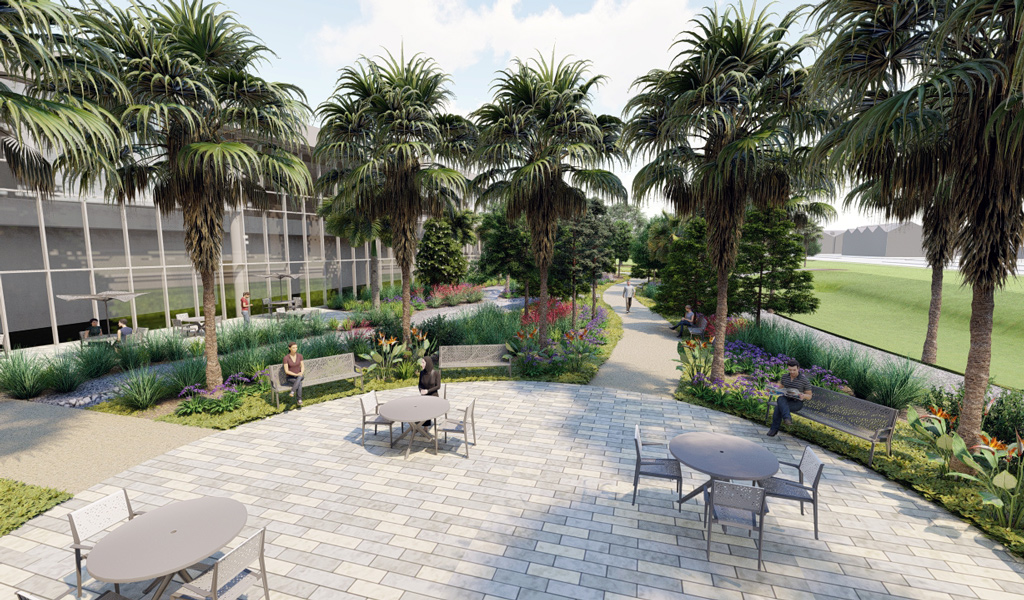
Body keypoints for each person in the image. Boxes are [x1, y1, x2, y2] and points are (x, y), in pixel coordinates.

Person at [767, 359, 812, 437]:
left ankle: (774, 429)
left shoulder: (804, 380)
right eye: (790, 370)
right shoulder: (785, 377)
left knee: (778, 407)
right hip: (785, 400)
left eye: (794, 370)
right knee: (780, 399)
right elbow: (780, 389)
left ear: (798, 368)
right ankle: (787, 418)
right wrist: (773, 390)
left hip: (797, 402)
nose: (792, 372)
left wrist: (803, 396)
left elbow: (809, 396)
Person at [417, 356, 440, 427]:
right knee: (415, 406)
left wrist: (427, 391)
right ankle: (416, 425)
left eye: (423, 363)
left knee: (425, 406)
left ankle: (425, 427)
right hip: (424, 395)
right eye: (421, 362)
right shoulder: (421, 373)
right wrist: (421, 390)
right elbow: (420, 384)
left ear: (428, 363)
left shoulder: (435, 373)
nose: (421, 364)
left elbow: (438, 386)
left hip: (433, 396)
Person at [283, 342, 304, 408]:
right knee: (299, 383)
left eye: (296, 347)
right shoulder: (286, 358)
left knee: (300, 377)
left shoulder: (300, 356)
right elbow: (286, 371)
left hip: (300, 376)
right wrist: (295, 374)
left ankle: (292, 391)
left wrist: (301, 372)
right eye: (293, 348)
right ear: (289, 348)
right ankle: (299, 400)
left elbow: (302, 366)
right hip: (290, 377)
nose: (295, 349)